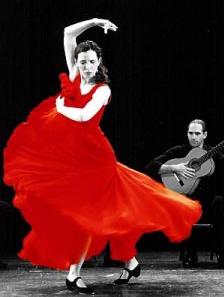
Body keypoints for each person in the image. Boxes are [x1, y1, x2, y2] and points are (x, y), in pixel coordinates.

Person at [3, 18, 201, 295]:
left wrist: (60, 108)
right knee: (106, 215)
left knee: (87, 217)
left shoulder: (103, 89)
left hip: (96, 160)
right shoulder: (74, 75)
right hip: (73, 158)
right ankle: (131, 263)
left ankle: (74, 275)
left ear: (99, 62)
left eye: (90, 61)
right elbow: (67, 33)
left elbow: (83, 117)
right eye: (81, 61)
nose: (85, 66)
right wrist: (95, 22)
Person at [145, 119, 224, 270]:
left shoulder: (213, 153)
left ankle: (222, 255)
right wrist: (176, 167)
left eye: (197, 133)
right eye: (190, 133)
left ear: (205, 135)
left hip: (207, 199)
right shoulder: (180, 150)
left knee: (220, 201)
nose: (193, 137)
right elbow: (151, 167)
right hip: (185, 197)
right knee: (182, 203)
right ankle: (190, 253)